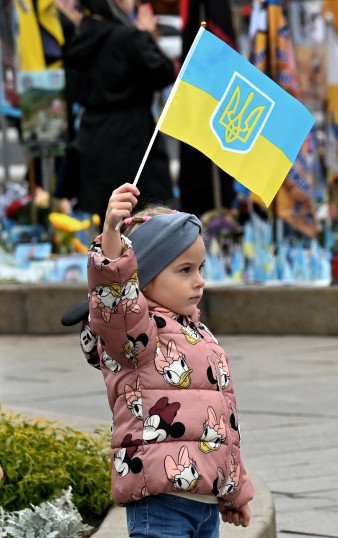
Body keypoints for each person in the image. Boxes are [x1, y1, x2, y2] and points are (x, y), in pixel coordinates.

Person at [68, 182, 254, 534]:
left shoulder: (200, 335)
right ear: (145, 277)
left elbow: (220, 422)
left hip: (205, 507)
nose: (199, 282)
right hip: (160, 500)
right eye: (185, 271)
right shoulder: (135, 333)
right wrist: (111, 236)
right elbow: (115, 297)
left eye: (200, 269)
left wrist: (235, 491)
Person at [63, 0, 176, 218]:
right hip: (132, 138)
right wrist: (147, 35)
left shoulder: (79, 36)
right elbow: (164, 74)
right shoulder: (128, 37)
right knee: (141, 217)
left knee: (105, 218)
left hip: (92, 136)